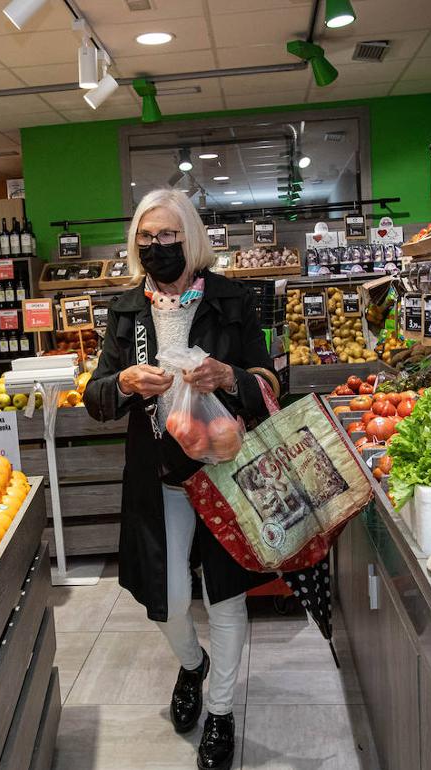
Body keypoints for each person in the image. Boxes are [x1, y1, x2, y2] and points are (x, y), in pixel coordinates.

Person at [85, 188, 274, 770]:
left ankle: (221, 710)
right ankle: (193, 665)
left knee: (225, 597)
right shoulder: (125, 311)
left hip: (223, 473)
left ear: (189, 237)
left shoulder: (233, 300)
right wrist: (123, 383)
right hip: (157, 476)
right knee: (166, 600)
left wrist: (230, 377)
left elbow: (271, 384)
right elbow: (95, 397)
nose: (156, 246)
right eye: (146, 237)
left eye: (167, 235)